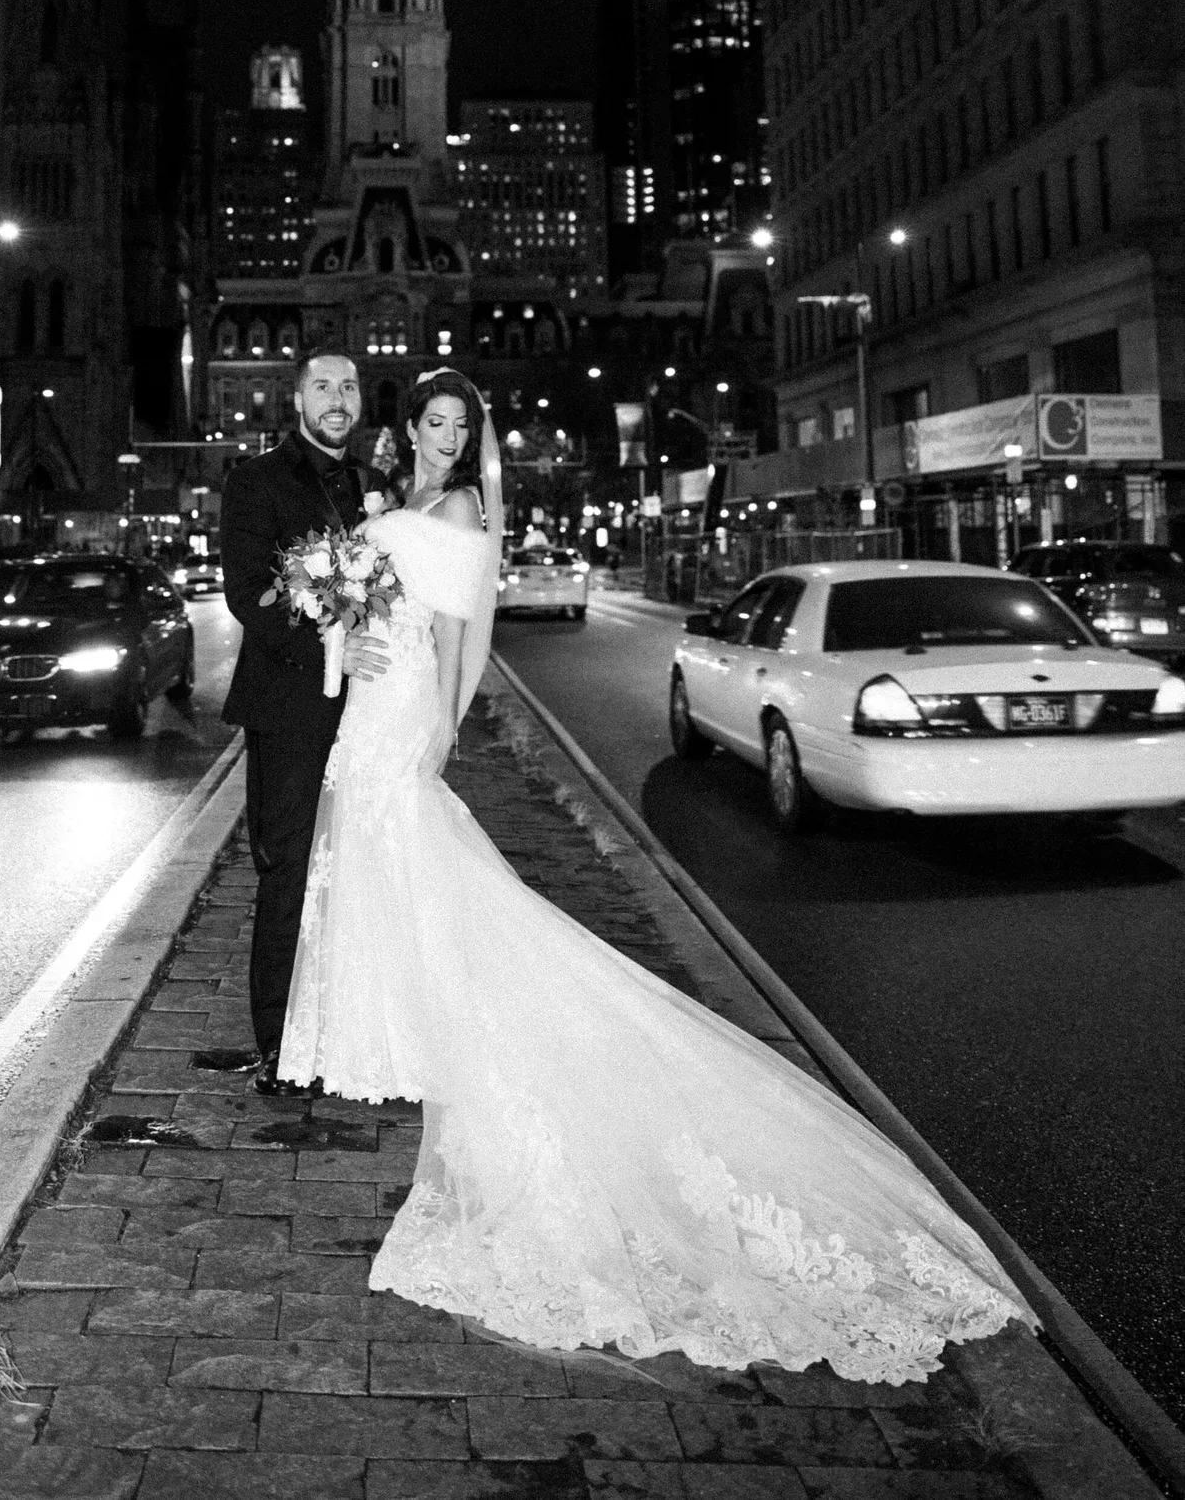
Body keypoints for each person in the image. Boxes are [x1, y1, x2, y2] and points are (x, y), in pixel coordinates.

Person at [276, 366, 1035, 1383]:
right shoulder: (392, 501)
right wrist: (350, 635)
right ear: (408, 427)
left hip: (409, 710)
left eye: (464, 425)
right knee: (388, 865)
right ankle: (404, 1027)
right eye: (437, 422)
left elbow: (466, 631)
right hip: (371, 694)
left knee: (424, 859)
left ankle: (448, 1028)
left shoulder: (455, 504)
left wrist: (443, 731)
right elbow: (371, 603)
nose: (450, 439)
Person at [220, 349, 390, 1095]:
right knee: (288, 872)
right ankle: (281, 1052)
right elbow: (247, 595)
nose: (337, 398)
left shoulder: (376, 489)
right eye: (323, 386)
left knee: (356, 873)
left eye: (348, 387)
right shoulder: (254, 481)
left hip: (373, 718)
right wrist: (332, 648)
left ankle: (347, 1032)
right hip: (289, 710)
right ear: (297, 400)